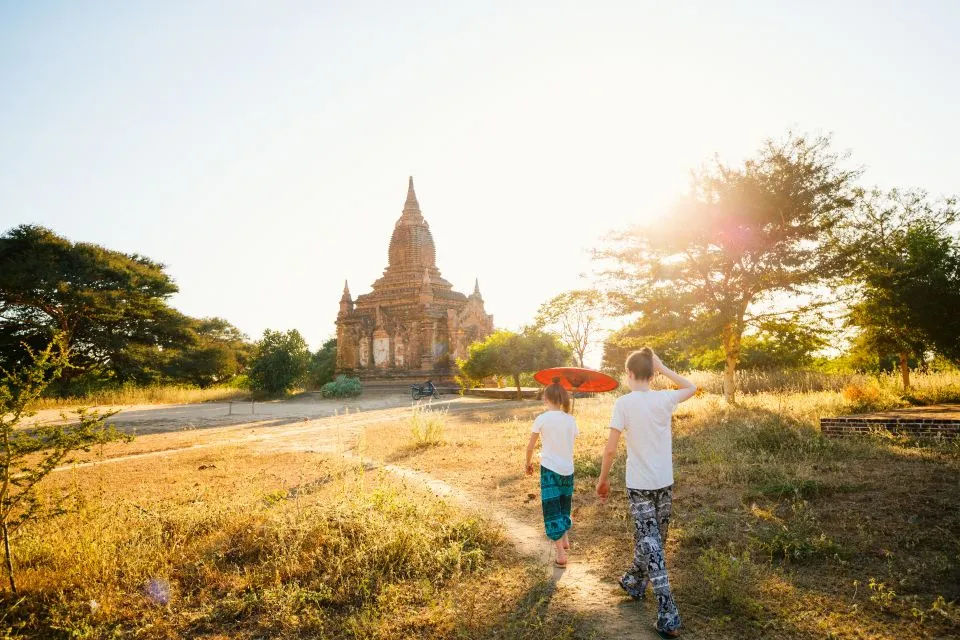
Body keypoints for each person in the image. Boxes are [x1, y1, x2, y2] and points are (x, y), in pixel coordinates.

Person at [595, 348, 696, 639]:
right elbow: (691, 387)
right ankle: (667, 611)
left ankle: (633, 582)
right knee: (655, 543)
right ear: (652, 375)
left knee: (653, 544)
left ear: (628, 374)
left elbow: (611, 447)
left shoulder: (623, 403)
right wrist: (664, 368)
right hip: (662, 483)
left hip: (641, 484)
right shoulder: (664, 398)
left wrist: (603, 479)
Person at [525, 378, 578, 566]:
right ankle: (565, 539)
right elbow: (571, 440)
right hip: (567, 469)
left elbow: (530, 447)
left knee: (551, 508)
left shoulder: (542, 419)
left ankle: (561, 554)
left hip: (549, 468)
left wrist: (527, 463)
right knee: (564, 504)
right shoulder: (571, 420)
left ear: (546, 399)